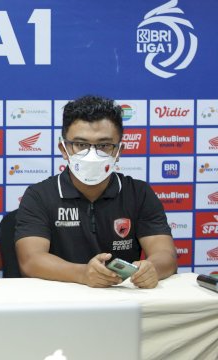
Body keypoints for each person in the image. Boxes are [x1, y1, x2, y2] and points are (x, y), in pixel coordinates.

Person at [15, 95, 177, 289]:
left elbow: (165, 254)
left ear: (119, 151)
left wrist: (152, 269)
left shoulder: (139, 193)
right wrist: (83, 274)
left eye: (103, 145)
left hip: (121, 302)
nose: (92, 154)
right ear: (64, 149)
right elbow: (30, 260)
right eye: (81, 145)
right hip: (58, 304)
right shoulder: (39, 195)